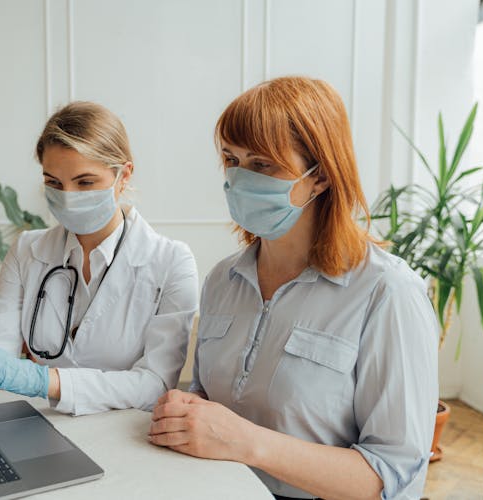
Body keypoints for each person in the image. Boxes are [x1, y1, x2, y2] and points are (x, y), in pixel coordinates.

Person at [148, 77, 438, 499]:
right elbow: (208, 406)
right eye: (231, 159)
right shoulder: (221, 281)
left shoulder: (388, 293)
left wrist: (246, 442)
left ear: (319, 177)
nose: (239, 178)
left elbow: (388, 475)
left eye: (262, 164)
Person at [0, 101, 199, 415]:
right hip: (43, 425)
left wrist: (46, 381)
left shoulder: (171, 262)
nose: (68, 197)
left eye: (85, 182)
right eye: (54, 183)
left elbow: (154, 384)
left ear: (123, 175)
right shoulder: (28, 250)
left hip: (127, 435)